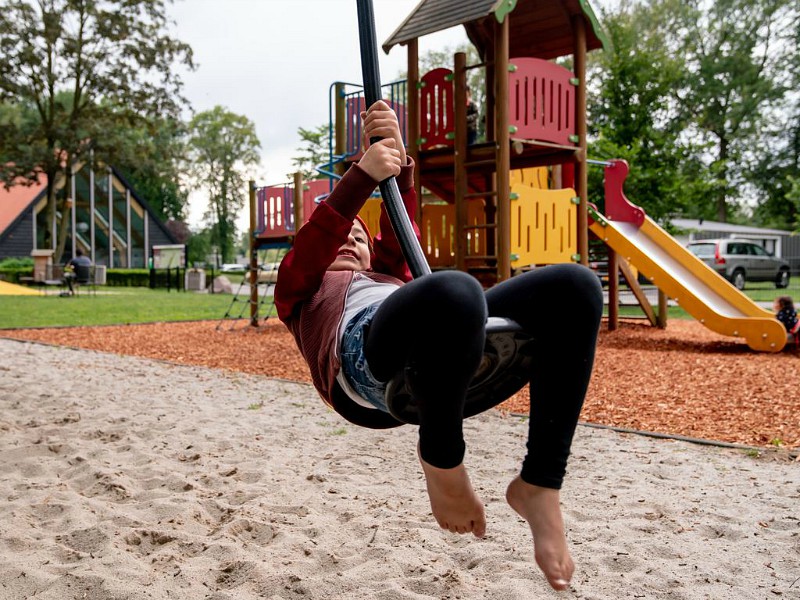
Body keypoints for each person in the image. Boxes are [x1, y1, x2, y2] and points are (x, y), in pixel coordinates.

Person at [274, 100, 603, 592]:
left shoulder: (391, 273)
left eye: (358, 237)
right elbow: (315, 245)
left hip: (444, 349)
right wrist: (360, 180)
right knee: (454, 289)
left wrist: (401, 165)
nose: (348, 240)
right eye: (341, 236)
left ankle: (540, 482)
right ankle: (443, 461)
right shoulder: (302, 292)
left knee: (577, 288)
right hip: (370, 367)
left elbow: (401, 233)